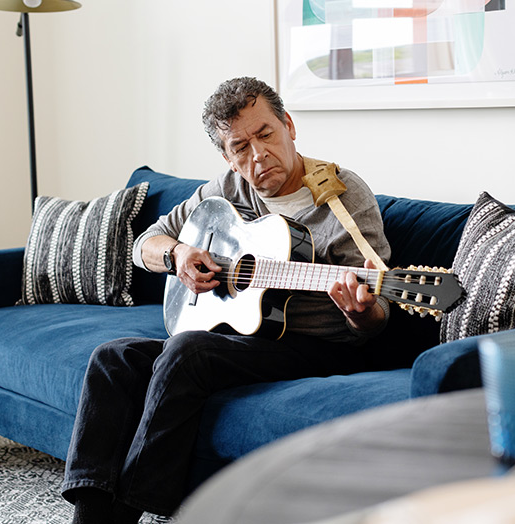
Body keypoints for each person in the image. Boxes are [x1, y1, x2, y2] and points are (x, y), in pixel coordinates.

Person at [61, 77, 391, 523]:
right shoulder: (228, 190)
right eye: (240, 147)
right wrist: (177, 254)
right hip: (243, 340)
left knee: (187, 351)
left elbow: (378, 313)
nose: (258, 155)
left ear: (289, 126)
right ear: (227, 157)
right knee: (112, 357)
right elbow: (145, 243)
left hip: (318, 346)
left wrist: (361, 311)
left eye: (265, 134)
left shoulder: (342, 194)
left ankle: (130, 509)